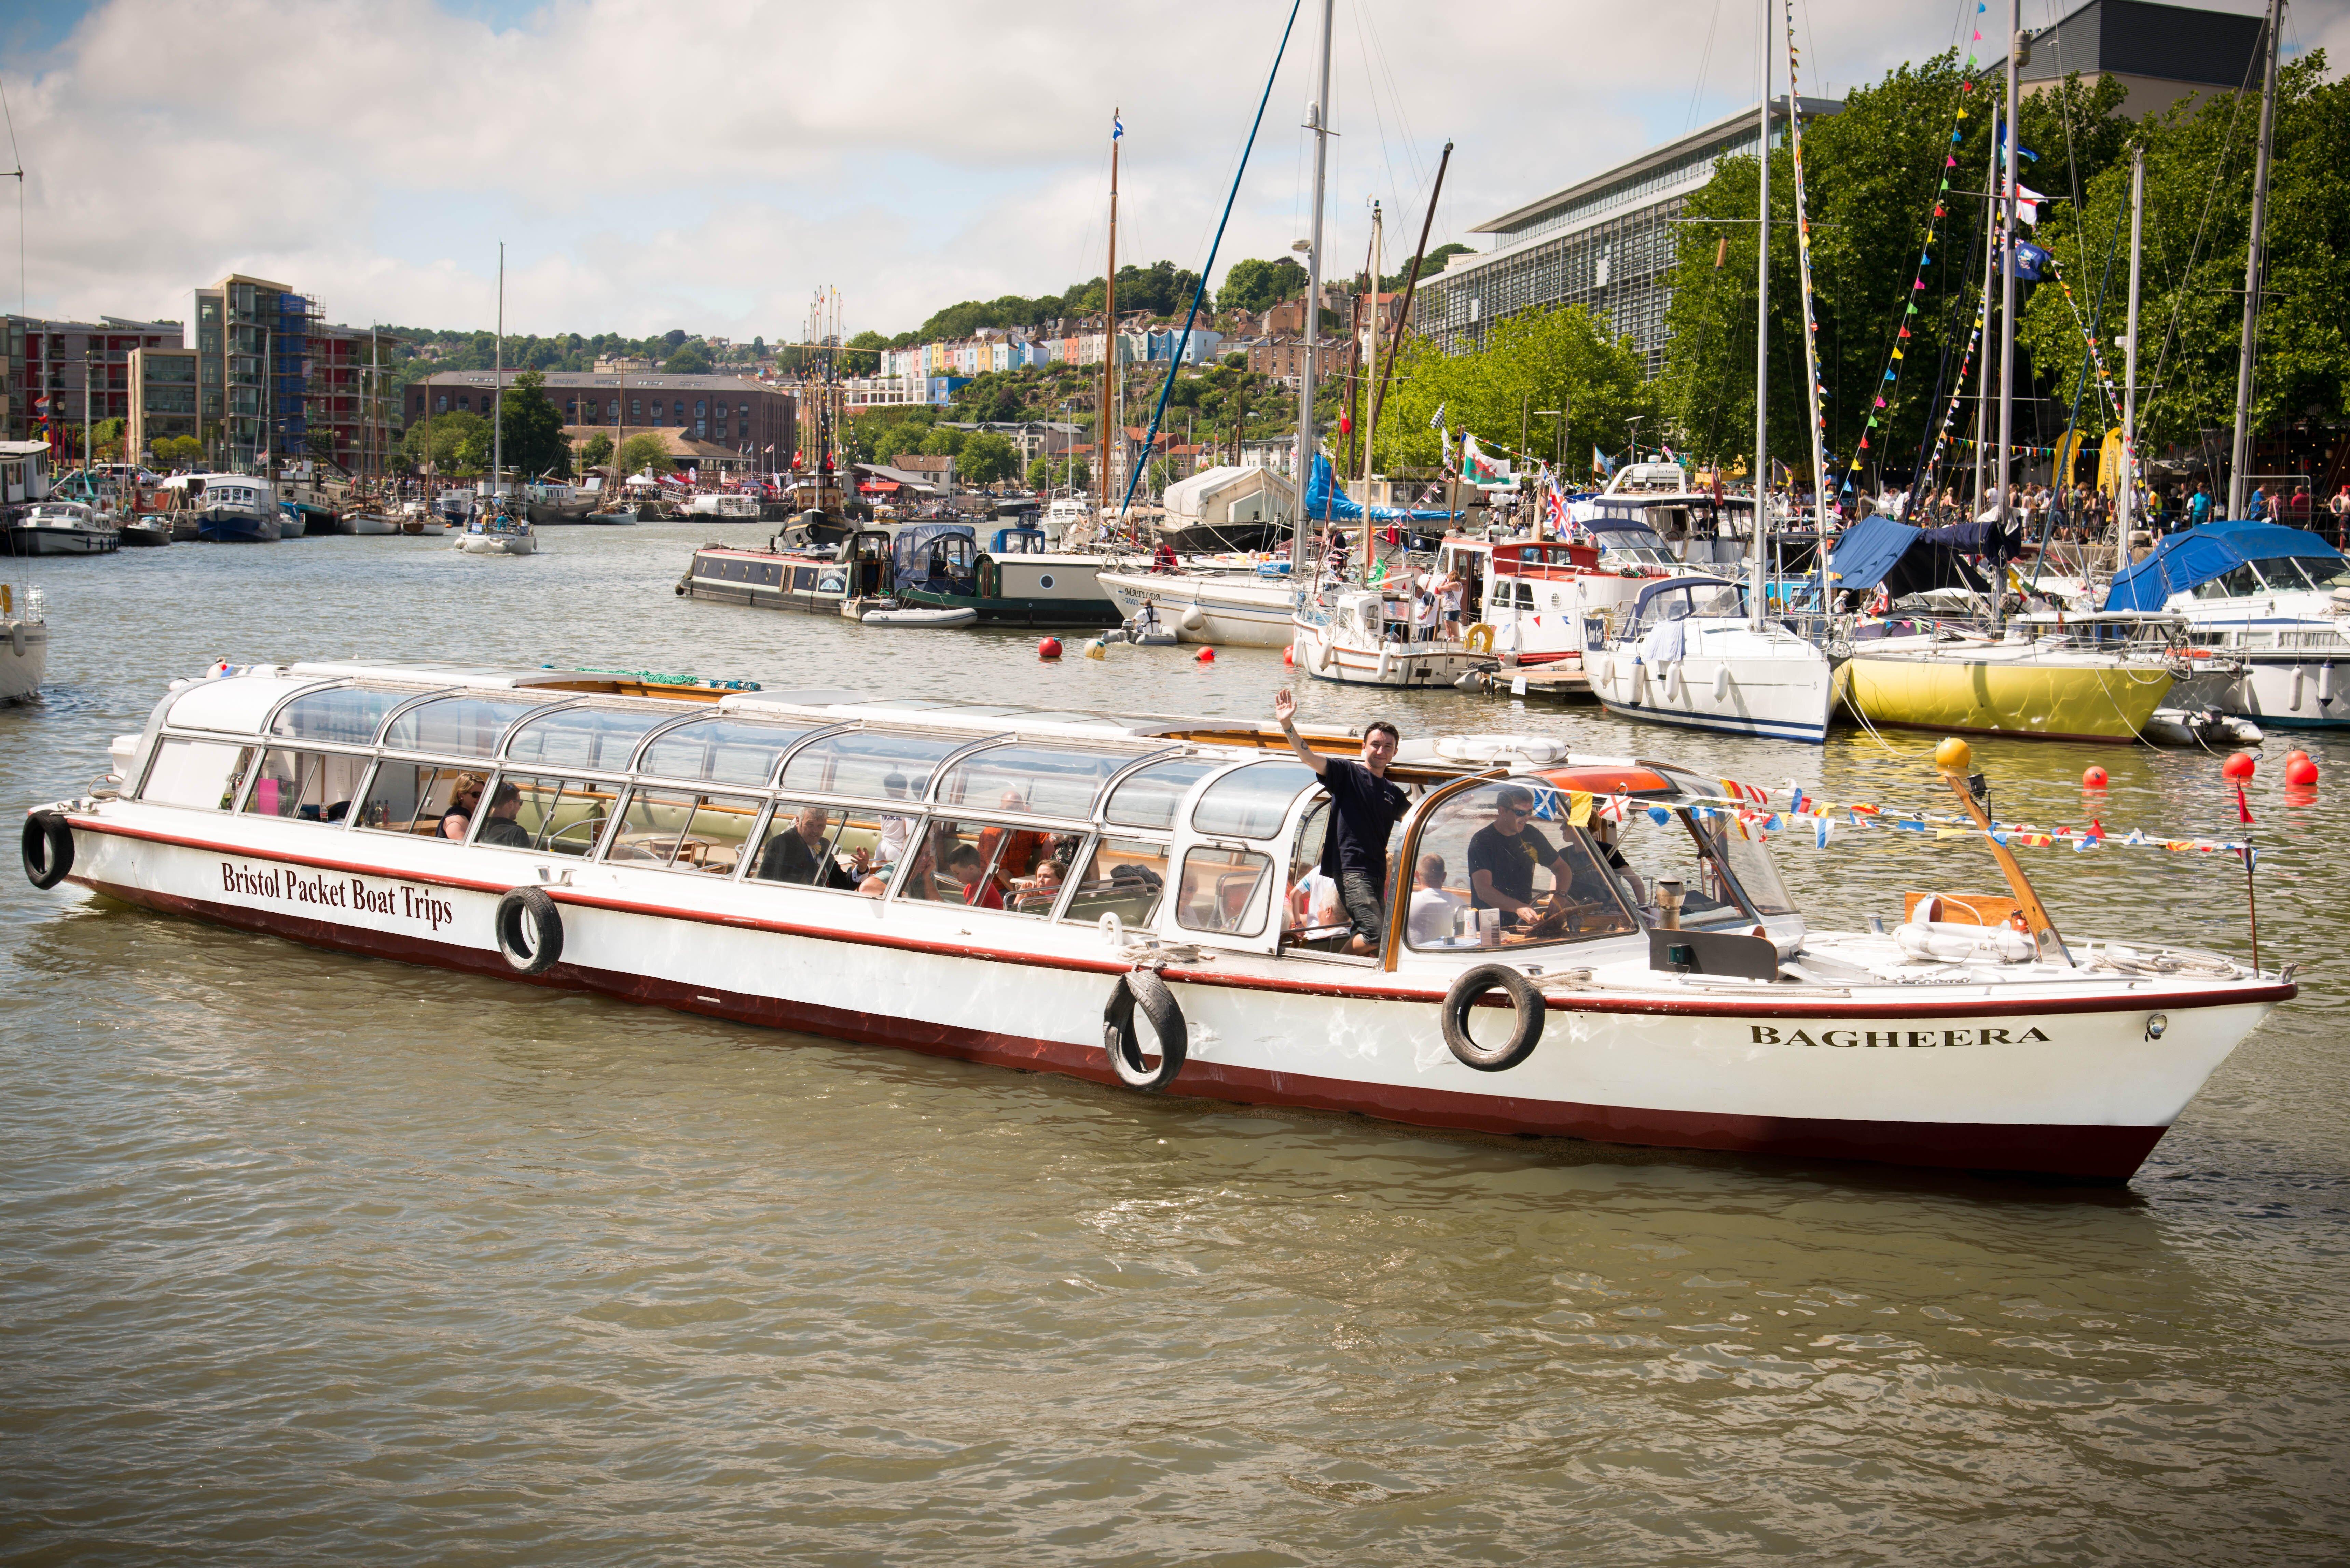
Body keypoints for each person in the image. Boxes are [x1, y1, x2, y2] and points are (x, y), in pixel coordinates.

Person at [1273, 687, 1408, 955]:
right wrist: (1287, 725)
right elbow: (1309, 758)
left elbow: (1417, 819)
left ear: (1394, 752)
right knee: (1375, 934)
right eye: (1376, 744)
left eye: (1388, 747)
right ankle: (1339, 966)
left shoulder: (1393, 793)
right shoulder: (1347, 773)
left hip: (1377, 873)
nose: (1381, 750)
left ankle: (1358, 970)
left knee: (1380, 935)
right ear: (1364, 747)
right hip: (1351, 870)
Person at [1467, 785, 1570, 926]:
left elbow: (1562, 869)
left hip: (1524, 921)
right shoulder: (1482, 841)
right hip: (1490, 924)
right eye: (1520, 813)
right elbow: (1484, 891)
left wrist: (1560, 896)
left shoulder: (1532, 835)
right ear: (1502, 811)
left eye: (1530, 812)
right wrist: (1518, 908)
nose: (1527, 818)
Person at [756, 804, 864, 888]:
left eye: (820, 826)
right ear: (798, 822)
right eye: (810, 825)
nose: (815, 831)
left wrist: (861, 870)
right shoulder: (780, 844)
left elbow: (841, 883)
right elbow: (765, 881)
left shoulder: (825, 844)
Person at [1406, 853, 1467, 945]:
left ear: (1417, 875)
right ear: (1444, 877)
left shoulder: (1408, 902)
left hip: (1415, 953)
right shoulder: (1460, 905)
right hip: (1449, 953)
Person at [475, 781, 530, 848]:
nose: (520, 807)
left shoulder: (478, 826)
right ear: (511, 804)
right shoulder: (518, 833)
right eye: (520, 803)